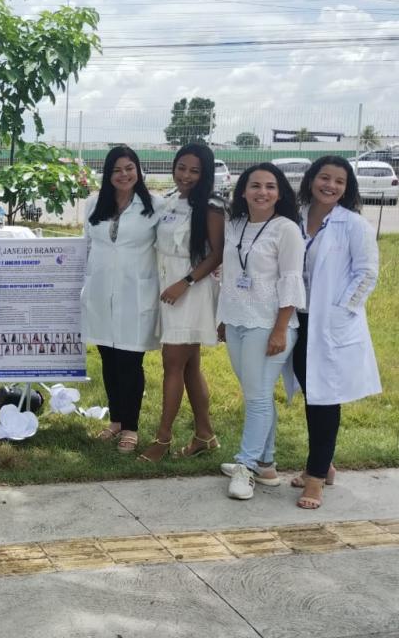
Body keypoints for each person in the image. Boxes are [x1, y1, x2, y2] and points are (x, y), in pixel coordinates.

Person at [288, 156, 381, 509]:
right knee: (313, 394)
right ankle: (324, 464)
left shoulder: (353, 224)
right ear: (311, 179)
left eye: (339, 181)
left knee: (325, 398)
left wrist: (340, 312)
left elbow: (367, 273)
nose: (330, 185)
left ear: (347, 187)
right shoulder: (293, 216)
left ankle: (314, 480)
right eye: (324, 177)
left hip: (330, 323)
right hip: (297, 318)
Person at [217, 163, 305, 500]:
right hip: (237, 320)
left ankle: (246, 465)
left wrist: (281, 330)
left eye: (270, 186)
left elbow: (291, 281)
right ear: (243, 191)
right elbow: (230, 274)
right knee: (259, 393)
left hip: (269, 325)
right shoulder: (236, 224)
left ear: (280, 193)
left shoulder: (286, 229)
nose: (262, 192)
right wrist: (224, 317)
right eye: (255, 185)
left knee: (255, 397)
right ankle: (266, 465)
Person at [139, 143, 224, 462]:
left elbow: (216, 253)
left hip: (191, 291)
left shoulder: (212, 206)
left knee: (173, 364)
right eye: (181, 168)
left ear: (205, 174)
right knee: (189, 366)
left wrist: (184, 283)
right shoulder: (171, 200)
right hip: (168, 286)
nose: (186, 175)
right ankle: (205, 434)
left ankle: (162, 439)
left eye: (194, 170)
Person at [81, 145, 159, 454]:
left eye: (129, 168)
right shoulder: (93, 205)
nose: (124, 175)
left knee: (130, 361)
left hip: (135, 294)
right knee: (108, 359)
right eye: (116, 170)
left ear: (138, 170)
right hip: (100, 292)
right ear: (108, 175)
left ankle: (131, 427)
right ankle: (115, 420)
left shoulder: (155, 206)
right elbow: (85, 247)